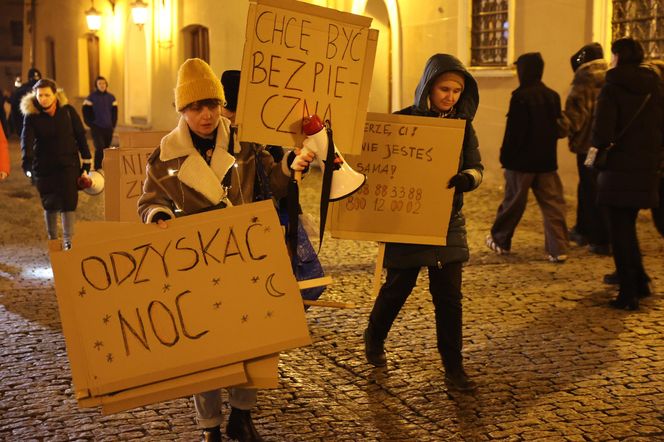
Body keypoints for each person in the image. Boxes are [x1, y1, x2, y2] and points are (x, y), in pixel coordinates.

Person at [137, 59, 313, 442]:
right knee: (207, 348)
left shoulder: (244, 144)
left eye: (212, 105)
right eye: (196, 107)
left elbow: (276, 182)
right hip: (195, 265)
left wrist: (291, 162)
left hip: (245, 260)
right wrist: (158, 215)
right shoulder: (166, 156)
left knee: (251, 340)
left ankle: (243, 415)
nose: (206, 115)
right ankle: (210, 425)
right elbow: (148, 201)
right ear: (183, 110)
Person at [363, 54, 483, 392]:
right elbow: (379, 166)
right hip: (408, 221)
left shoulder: (462, 126)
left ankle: (454, 368)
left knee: (449, 298)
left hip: (448, 223)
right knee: (397, 288)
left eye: (457, 91)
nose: (450, 96)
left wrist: (467, 178)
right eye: (444, 88)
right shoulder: (403, 121)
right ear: (428, 87)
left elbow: (477, 166)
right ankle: (374, 335)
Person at [591, 37, 664, 310]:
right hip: (646, 169)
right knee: (628, 227)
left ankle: (628, 293)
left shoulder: (612, 87)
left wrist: (597, 152)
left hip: (618, 170)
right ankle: (641, 282)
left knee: (620, 231)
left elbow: (602, 132)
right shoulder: (655, 86)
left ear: (618, 56)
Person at [485, 52, 569, 262]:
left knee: (513, 203)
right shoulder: (552, 96)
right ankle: (558, 249)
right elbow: (558, 128)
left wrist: (506, 158)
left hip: (521, 163)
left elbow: (514, 133)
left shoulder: (521, 97)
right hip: (547, 162)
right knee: (553, 206)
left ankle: (500, 240)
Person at [20, 79, 92, 249]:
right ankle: (54, 241)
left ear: (55, 95)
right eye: (40, 95)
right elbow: (27, 140)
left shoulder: (67, 111)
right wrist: (27, 162)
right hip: (45, 167)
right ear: (35, 96)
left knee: (69, 202)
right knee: (50, 203)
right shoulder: (32, 116)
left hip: (68, 165)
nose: (43, 98)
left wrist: (87, 161)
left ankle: (69, 242)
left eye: (47, 95)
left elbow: (80, 135)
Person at [564, 43, 611, 255]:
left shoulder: (583, 81)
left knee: (589, 188)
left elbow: (574, 118)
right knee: (598, 188)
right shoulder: (612, 76)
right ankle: (584, 229)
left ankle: (597, 236)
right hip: (609, 145)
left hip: (587, 146)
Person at [82, 76, 118, 171]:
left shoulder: (111, 97)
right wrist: (91, 124)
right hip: (97, 127)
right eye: (100, 83)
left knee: (106, 148)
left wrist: (112, 125)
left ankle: (105, 166)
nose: (102, 85)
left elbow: (115, 113)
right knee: (99, 147)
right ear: (96, 85)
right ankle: (98, 167)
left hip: (108, 127)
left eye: (103, 83)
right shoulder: (91, 97)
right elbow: (86, 112)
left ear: (106, 85)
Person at [11, 68, 42, 137]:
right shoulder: (43, 91)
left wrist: (17, 128)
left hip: (22, 126)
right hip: (39, 128)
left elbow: (13, 109)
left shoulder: (19, 91)